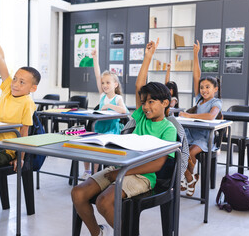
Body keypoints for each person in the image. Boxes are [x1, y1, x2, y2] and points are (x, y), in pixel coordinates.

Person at [71, 38, 177, 236]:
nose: (145, 106)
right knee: (78, 193)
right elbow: (139, 84)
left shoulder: (168, 128)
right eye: (143, 102)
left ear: (165, 103)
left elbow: (156, 165)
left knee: (104, 201)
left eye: (151, 102)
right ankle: (97, 233)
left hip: (142, 176)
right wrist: (147, 57)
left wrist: (120, 174)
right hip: (120, 168)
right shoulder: (140, 116)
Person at [0, 4, 41, 226]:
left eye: (22, 82)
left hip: (4, 151)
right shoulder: (6, 89)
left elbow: (24, 132)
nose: (15, 83)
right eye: (15, 79)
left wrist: (20, 157)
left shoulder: (27, 103)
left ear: (32, 88)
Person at [178, 40, 222, 197]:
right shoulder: (198, 99)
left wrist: (189, 115)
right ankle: (190, 178)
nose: (203, 90)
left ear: (215, 89)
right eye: (202, 87)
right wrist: (195, 55)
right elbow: (196, 75)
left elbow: (210, 117)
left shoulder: (216, 102)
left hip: (204, 138)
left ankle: (188, 178)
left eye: (207, 87)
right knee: (180, 152)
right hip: (190, 135)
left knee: (189, 154)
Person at [81, 49, 128, 180]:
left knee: (97, 149)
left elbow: (124, 111)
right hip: (98, 128)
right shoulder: (102, 95)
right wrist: (95, 59)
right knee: (85, 144)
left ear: (115, 84)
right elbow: (97, 76)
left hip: (111, 130)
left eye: (108, 82)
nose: (104, 85)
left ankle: (95, 174)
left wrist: (109, 106)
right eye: (103, 83)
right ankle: (88, 171)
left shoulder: (118, 98)